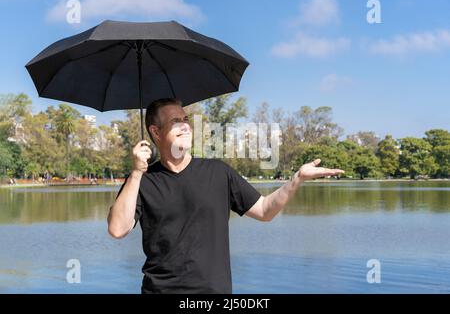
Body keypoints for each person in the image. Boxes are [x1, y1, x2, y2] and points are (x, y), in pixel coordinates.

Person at [107, 98, 344, 294]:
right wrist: (137, 171)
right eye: (175, 121)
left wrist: (297, 179)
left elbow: (264, 211)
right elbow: (118, 229)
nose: (185, 126)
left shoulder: (217, 172)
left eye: (186, 120)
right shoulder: (142, 180)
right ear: (155, 132)